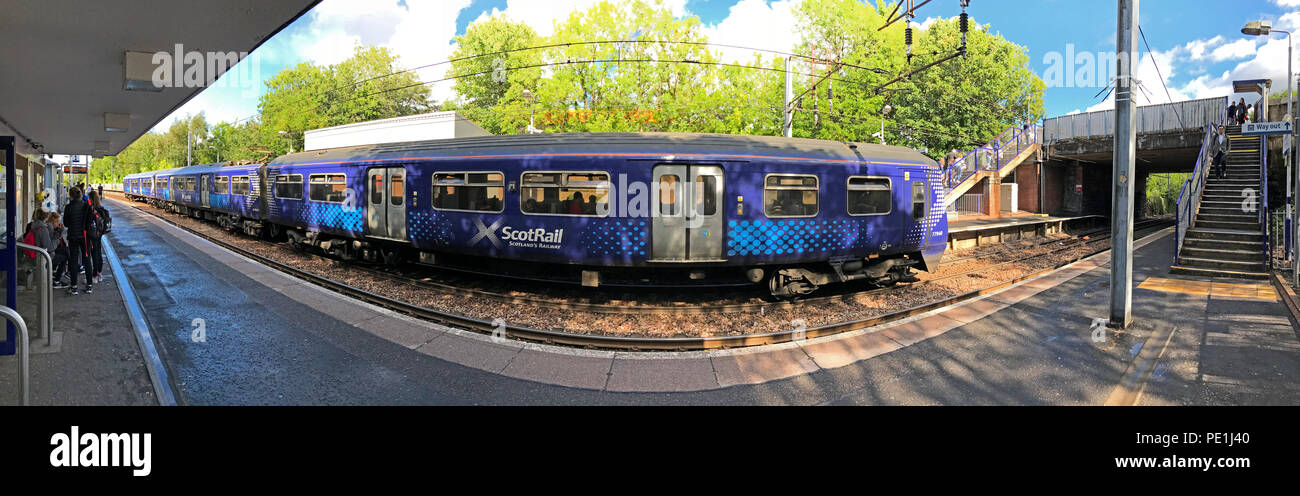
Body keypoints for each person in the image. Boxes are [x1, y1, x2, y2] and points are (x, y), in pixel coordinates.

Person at [62, 187, 94, 295]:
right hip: (85, 237)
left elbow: (66, 223)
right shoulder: (86, 205)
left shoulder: (68, 207)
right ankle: (89, 286)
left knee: (74, 260)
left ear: (70, 195)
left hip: (73, 237)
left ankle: (74, 286)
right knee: (87, 260)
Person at [88, 191, 105, 284]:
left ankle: (94, 276)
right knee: (98, 252)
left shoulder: (91, 209)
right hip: (100, 234)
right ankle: (99, 274)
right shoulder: (101, 209)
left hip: (93, 234)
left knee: (94, 254)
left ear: (91, 199)